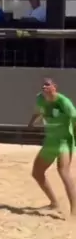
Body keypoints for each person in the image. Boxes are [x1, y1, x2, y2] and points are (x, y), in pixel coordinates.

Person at [28, 78, 76, 216]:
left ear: (55, 87)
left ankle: (74, 211)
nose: (44, 87)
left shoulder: (64, 102)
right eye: (43, 85)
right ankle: (54, 203)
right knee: (37, 173)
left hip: (64, 142)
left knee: (63, 172)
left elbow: (74, 119)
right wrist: (31, 123)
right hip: (50, 141)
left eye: (47, 84)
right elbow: (38, 111)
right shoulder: (40, 99)